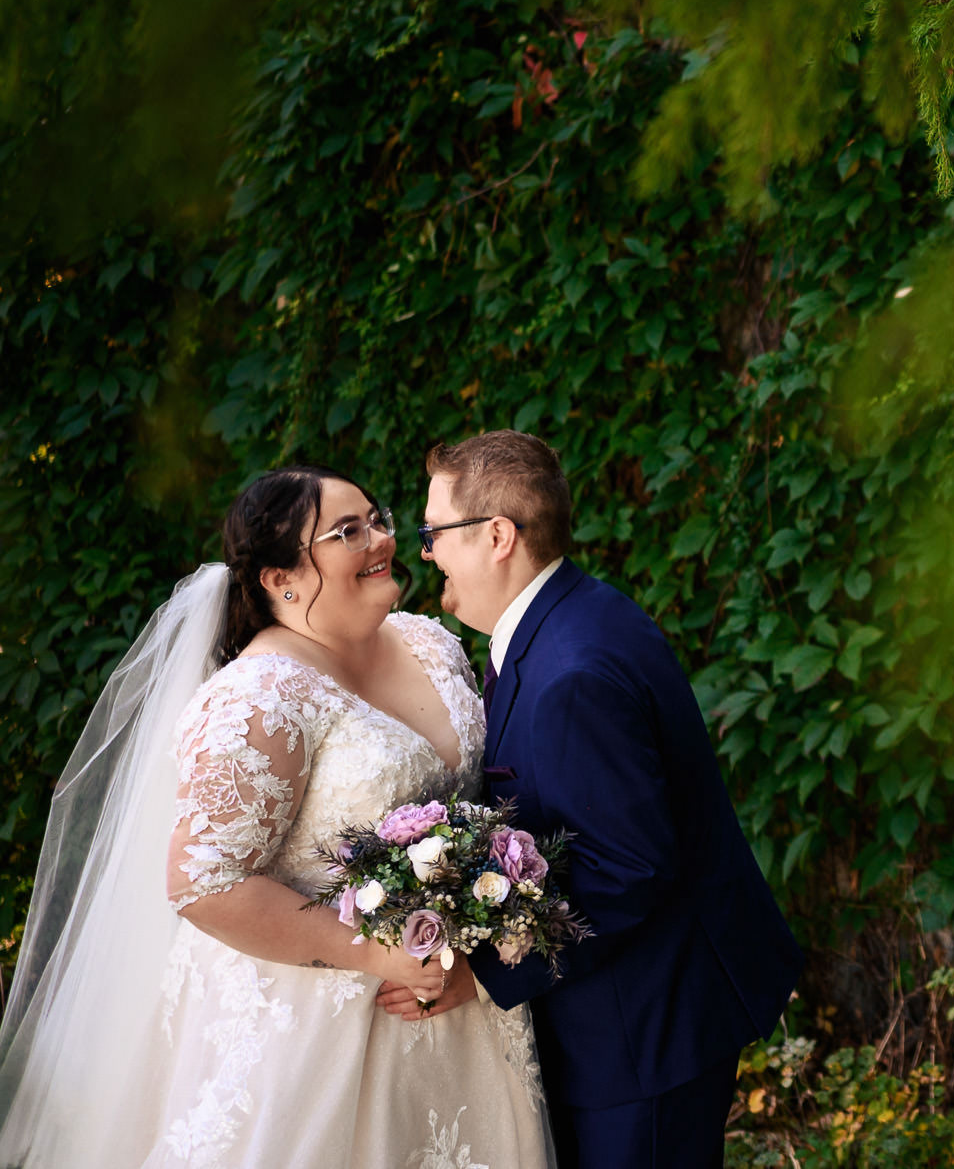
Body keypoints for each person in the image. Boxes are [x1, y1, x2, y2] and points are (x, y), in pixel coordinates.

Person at [0, 466, 552, 1168]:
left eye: (376, 518)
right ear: (281, 578)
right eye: (348, 531)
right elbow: (203, 884)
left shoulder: (429, 642)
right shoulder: (257, 700)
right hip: (318, 1038)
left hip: (458, 1009)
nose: (382, 538)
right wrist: (382, 953)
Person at [399, 430, 801, 1169]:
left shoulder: (571, 671)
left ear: (496, 536)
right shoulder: (567, 617)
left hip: (643, 1029)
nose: (425, 552)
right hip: (640, 1011)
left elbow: (627, 867)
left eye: (433, 532)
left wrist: (484, 973)